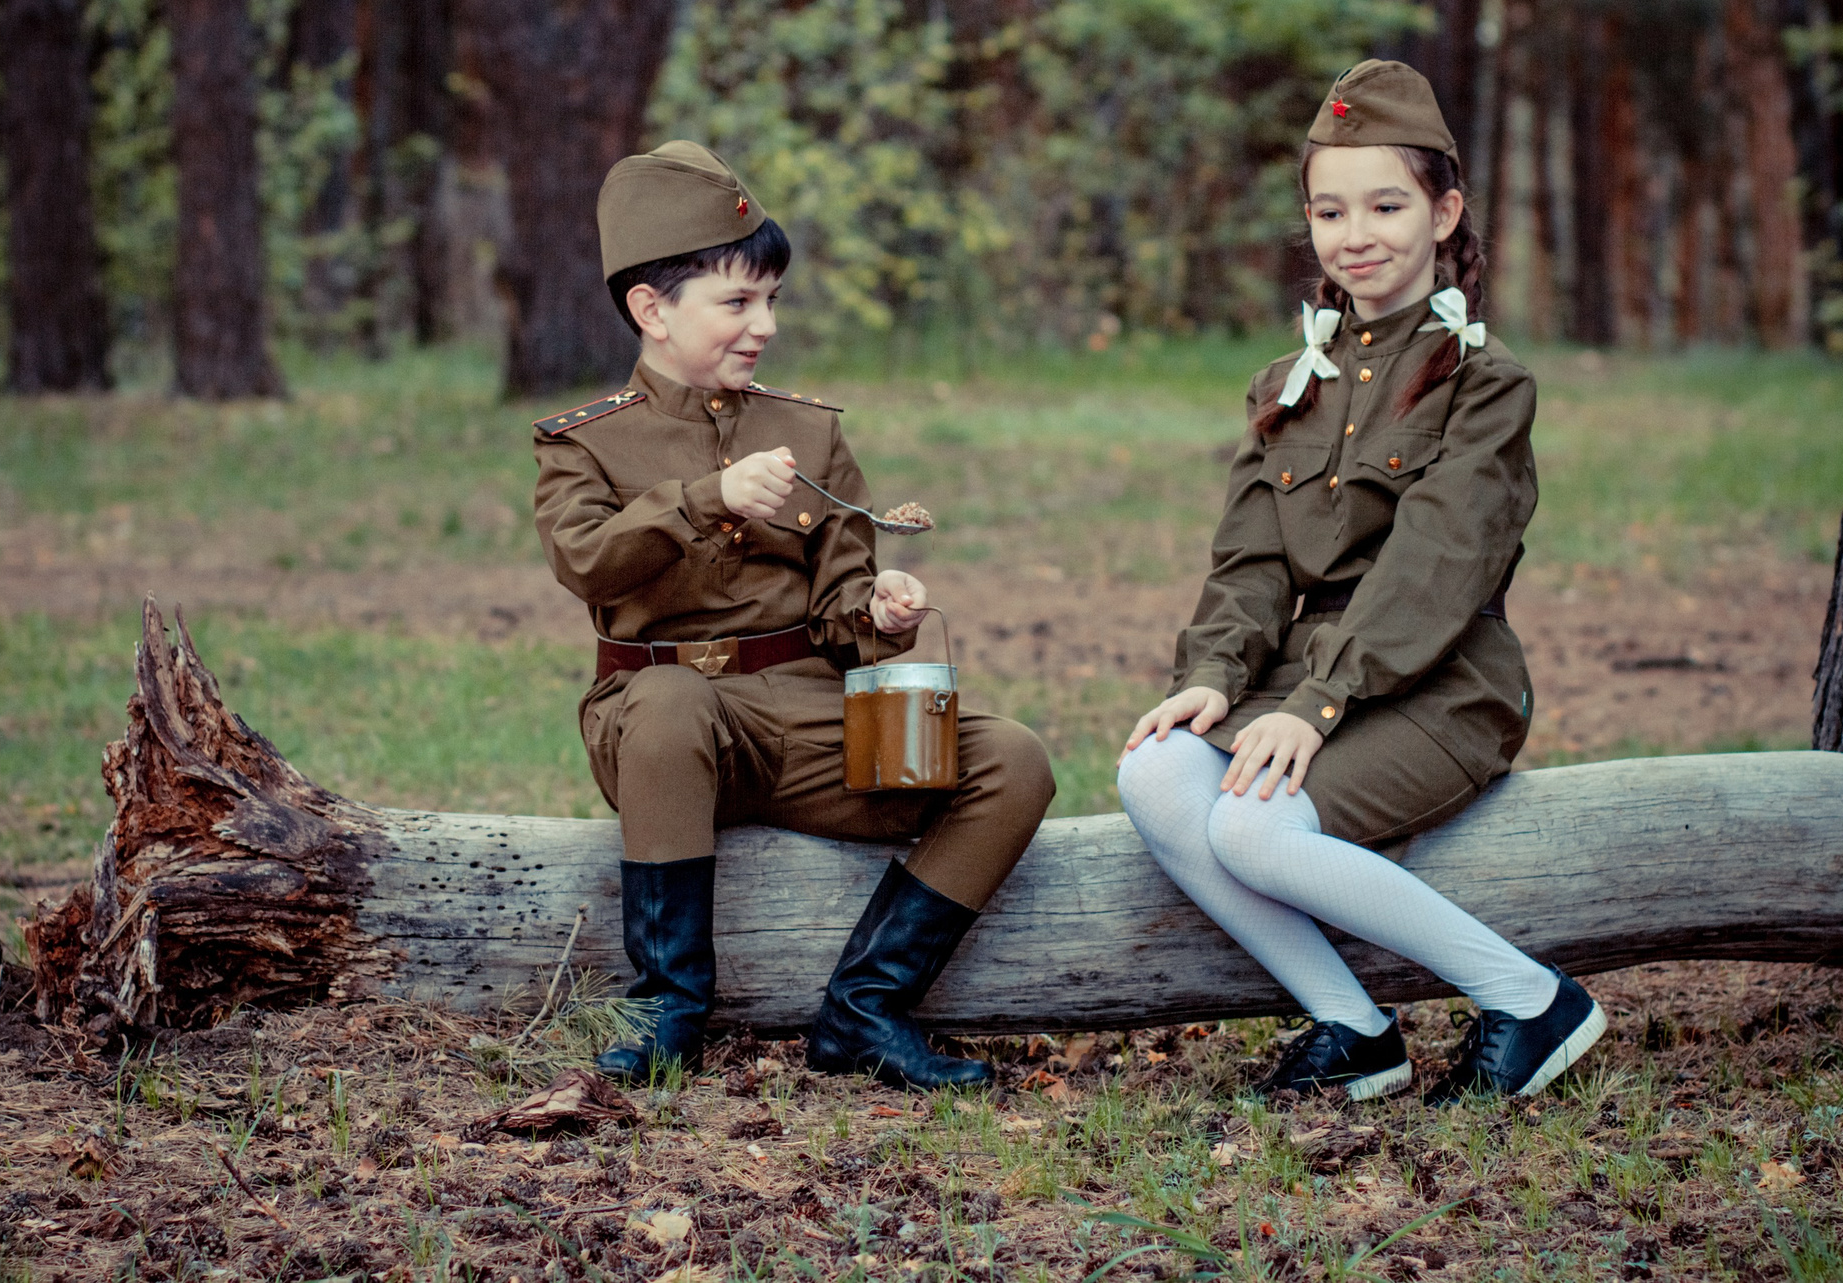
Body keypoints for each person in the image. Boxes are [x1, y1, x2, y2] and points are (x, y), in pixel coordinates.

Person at [1114, 61, 1606, 1105]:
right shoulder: (1289, 383)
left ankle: (1531, 1002)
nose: (1357, 234)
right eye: (1330, 210)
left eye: (1386, 204)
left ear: (1444, 211)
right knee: (1155, 772)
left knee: (1251, 826)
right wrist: (1212, 674)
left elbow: (1435, 566)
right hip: (1306, 679)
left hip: (1442, 684)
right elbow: (1247, 563)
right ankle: (1353, 1028)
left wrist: (1314, 704)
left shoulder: (1485, 382)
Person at [532, 140, 1055, 1091]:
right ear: (652, 310)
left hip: (806, 716)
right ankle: (668, 1009)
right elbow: (585, 561)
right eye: (736, 302)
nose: (764, 323)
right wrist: (707, 496)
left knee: (1011, 757)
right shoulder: (588, 444)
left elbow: (838, 606)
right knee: (668, 702)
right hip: (665, 733)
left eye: (771, 298)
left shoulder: (808, 430)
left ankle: (865, 1009)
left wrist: (883, 612)